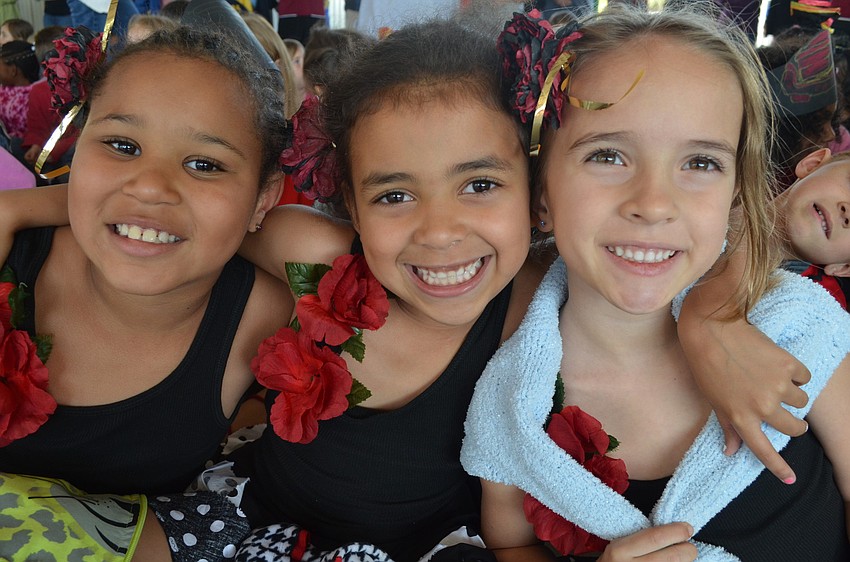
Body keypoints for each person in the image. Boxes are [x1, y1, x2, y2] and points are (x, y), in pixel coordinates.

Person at [461, 4, 850, 561]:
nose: (653, 203)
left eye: (700, 163)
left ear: (736, 192)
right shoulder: (510, 407)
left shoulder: (802, 330)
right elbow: (510, 543)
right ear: (541, 191)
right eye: (608, 154)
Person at [0, 26, 294, 561]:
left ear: (263, 197)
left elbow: (352, 251)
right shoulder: (8, 258)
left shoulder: (267, 315)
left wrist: (20, 205)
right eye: (122, 146)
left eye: (205, 164)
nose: (151, 186)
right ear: (78, 148)